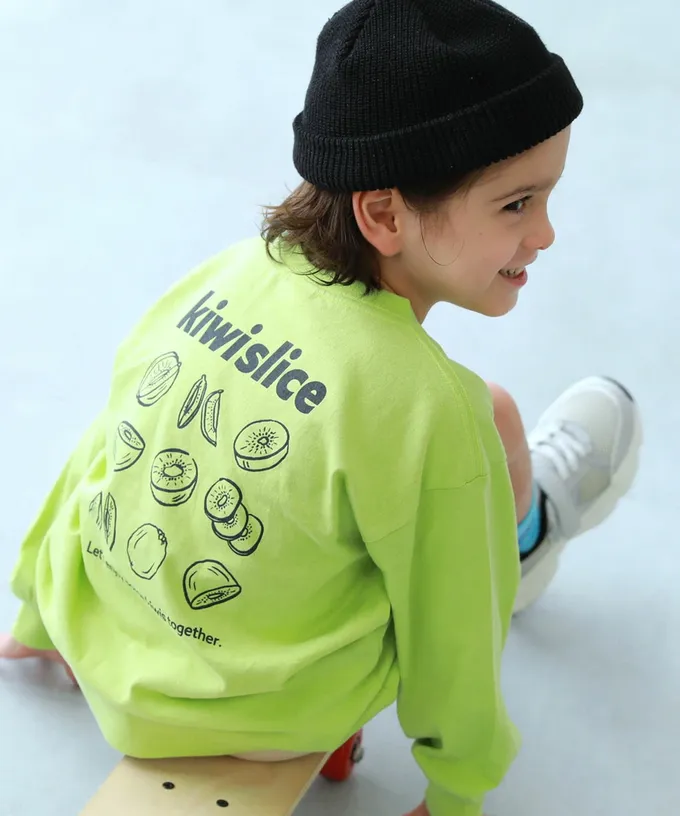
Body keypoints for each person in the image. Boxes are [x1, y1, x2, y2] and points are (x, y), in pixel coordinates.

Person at [0, 1, 642, 815]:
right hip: (261, 715)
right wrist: (459, 787)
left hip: (103, 645)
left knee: (473, 420)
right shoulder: (431, 411)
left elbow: (109, 443)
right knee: (467, 459)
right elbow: (453, 635)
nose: (545, 234)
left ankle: (510, 531)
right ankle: (524, 540)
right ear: (384, 213)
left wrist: (39, 606)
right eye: (517, 204)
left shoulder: (225, 275)